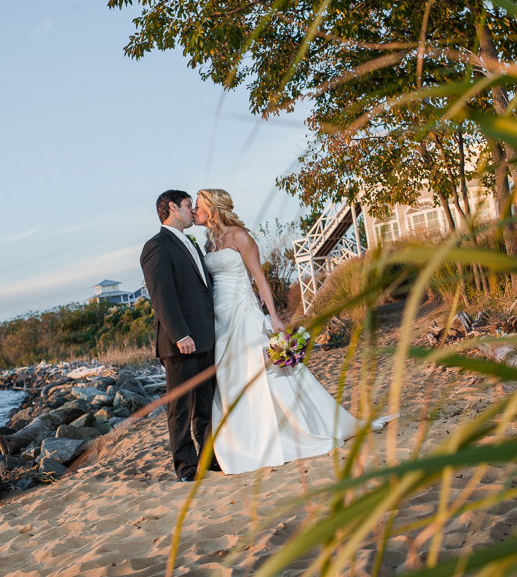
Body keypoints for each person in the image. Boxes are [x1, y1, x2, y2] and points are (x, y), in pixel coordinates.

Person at [193, 188, 397, 475]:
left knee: (256, 374)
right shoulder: (208, 243)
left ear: (213, 208)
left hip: (243, 314)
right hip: (220, 319)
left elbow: (260, 279)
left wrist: (274, 317)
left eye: (198, 205)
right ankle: (240, 439)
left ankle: (281, 434)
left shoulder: (239, 236)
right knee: (229, 378)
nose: (194, 211)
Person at [140, 190, 219, 482]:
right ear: (172, 207)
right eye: (189, 205)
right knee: (180, 409)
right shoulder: (156, 246)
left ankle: (209, 460)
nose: (193, 210)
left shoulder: (193, 245)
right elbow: (162, 296)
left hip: (206, 339)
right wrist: (180, 334)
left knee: (205, 406)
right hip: (181, 344)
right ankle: (185, 468)